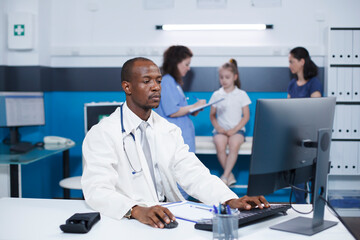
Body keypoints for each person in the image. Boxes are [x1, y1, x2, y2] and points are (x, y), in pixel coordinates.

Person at [81, 57, 269, 229]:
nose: (156, 87)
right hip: (129, 222)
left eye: (158, 81)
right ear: (127, 87)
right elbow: (96, 189)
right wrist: (136, 210)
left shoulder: (167, 130)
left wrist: (228, 200)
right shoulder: (103, 133)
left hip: (167, 219)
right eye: (147, 81)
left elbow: (194, 173)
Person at [155, 45, 206, 153]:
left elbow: (179, 109)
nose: (188, 68)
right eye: (186, 64)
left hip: (182, 137)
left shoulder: (174, 83)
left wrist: (194, 110)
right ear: (175, 63)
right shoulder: (167, 82)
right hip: (172, 139)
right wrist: (194, 106)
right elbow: (172, 112)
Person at [287, 46, 323, 203]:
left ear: (302, 61)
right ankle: (300, 204)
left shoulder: (314, 83)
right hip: (295, 134)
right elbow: (286, 109)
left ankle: (315, 206)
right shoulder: (292, 85)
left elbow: (315, 109)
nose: (290, 65)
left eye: (291, 61)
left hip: (310, 135)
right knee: (296, 174)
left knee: (312, 173)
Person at [209, 59, 251, 186]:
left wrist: (235, 129)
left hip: (237, 130)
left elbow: (246, 116)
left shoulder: (241, 94)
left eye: (227, 77)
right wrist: (218, 127)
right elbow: (212, 115)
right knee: (220, 144)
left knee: (234, 144)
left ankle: (225, 175)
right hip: (220, 130)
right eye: (221, 77)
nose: (224, 80)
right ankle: (229, 175)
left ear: (235, 77)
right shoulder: (217, 94)